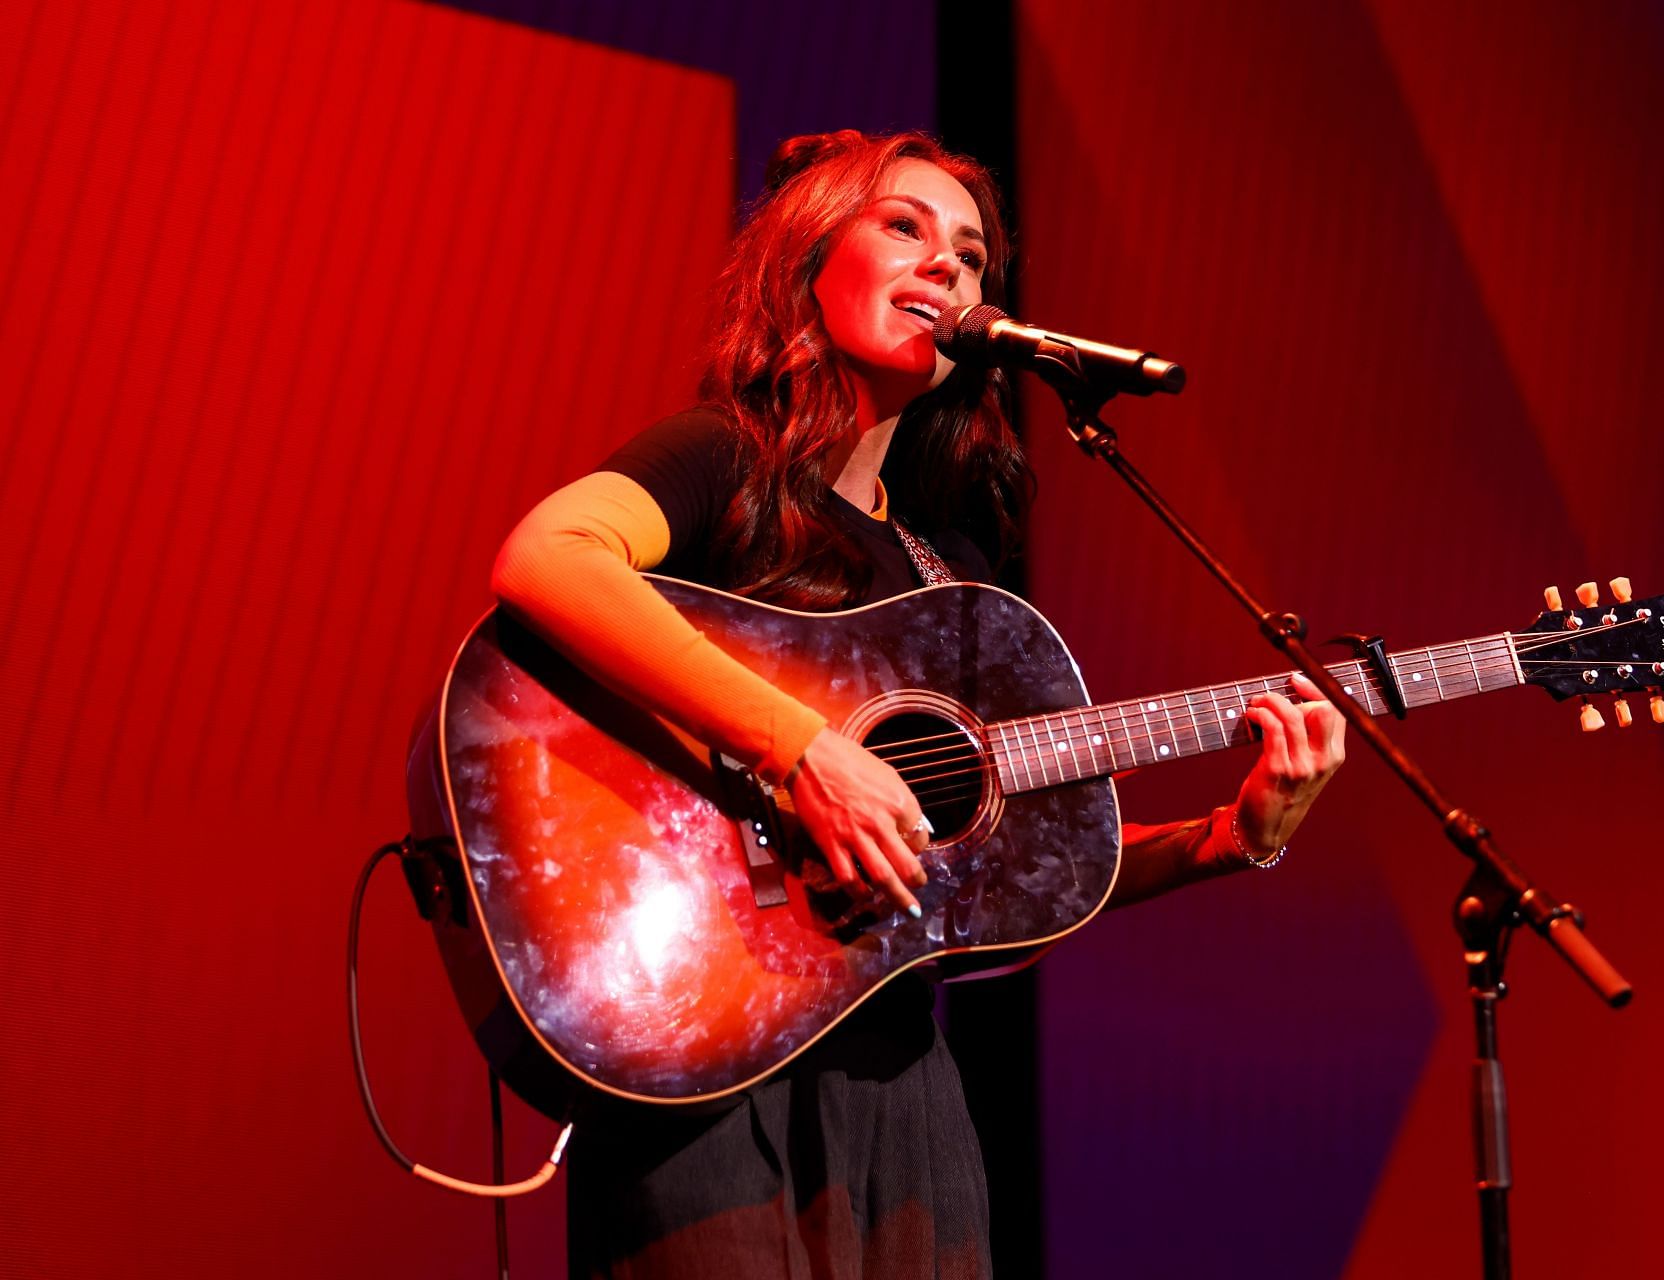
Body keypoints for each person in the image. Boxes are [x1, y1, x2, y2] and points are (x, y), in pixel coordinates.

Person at [491, 130, 1347, 1279]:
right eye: (904, 226)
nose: (946, 264)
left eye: (972, 253)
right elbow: (550, 557)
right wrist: (803, 748)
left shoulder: (946, 575)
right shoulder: (726, 461)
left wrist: (1228, 839)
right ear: (808, 259)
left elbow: (1000, 886)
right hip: (701, 1041)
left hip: (902, 1094)